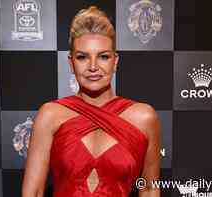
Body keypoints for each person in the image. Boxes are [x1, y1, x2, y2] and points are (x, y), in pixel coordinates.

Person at [22, 6, 161, 197]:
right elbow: (34, 192)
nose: (93, 67)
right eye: (82, 57)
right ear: (71, 63)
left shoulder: (144, 117)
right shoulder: (50, 115)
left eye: (103, 56)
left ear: (115, 61)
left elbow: (149, 188)